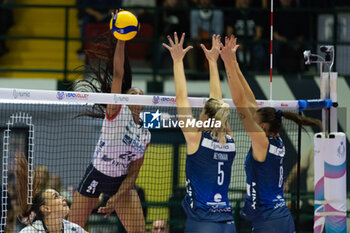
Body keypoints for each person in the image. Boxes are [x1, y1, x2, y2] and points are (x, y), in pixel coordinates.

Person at [220, 35, 322, 233]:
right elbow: (249, 102)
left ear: (264, 127)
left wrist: (227, 64)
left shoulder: (261, 142)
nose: (253, 124)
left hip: (269, 221)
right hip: (280, 217)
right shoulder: (276, 141)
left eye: (256, 123)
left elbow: (240, 102)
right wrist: (234, 62)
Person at [68, 9, 151, 233]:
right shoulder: (116, 111)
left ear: (143, 103)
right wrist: (120, 40)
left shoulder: (145, 133)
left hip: (121, 183)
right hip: (97, 174)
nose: (135, 95)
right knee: (72, 228)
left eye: (139, 93)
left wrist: (117, 197)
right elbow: (117, 74)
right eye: (131, 93)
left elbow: (133, 173)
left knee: (138, 231)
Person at [163, 32, 237, 233]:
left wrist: (177, 61)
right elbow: (218, 105)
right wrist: (213, 63)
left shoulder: (195, 138)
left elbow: (181, 98)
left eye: (203, 109)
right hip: (228, 222)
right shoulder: (229, 140)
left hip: (203, 222)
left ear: (205, 115)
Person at [14, 156, 87, 233]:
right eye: (56, 197)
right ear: (46, 208)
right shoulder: (29, 231)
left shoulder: (74, 229)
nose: (64, 198)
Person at [284, 146, 315, 231]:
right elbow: (298, 168)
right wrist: (287, 183)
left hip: (331, 205)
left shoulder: (338, 148)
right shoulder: (313, 149)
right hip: (312, 204)